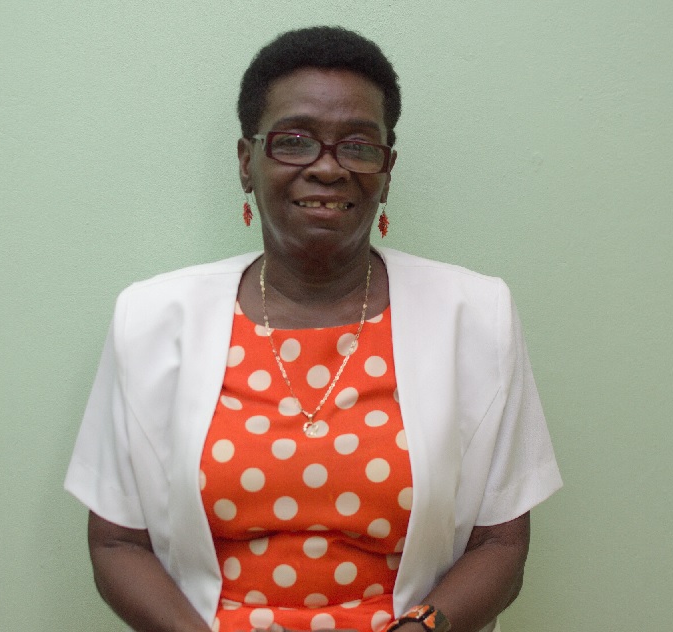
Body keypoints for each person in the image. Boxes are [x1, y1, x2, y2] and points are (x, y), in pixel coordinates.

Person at [65, 26, 562, 632]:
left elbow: (501, 544)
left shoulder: (477, 315)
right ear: (246, 162)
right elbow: (117, 543)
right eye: (294, 141)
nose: (327, 167)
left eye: (358, 146)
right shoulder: (149, 318)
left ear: (387, 169)